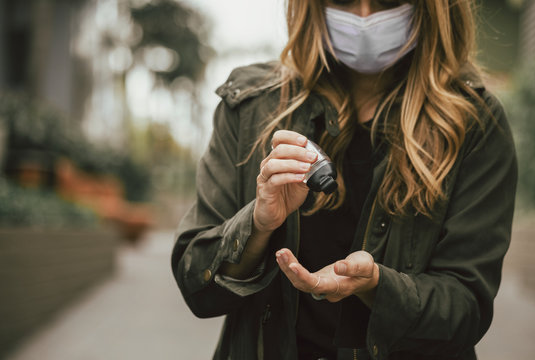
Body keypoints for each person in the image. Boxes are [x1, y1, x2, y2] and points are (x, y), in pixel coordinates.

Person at [171, 0, 517, 359]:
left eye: (387, 1)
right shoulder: (250, 107)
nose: (364, 18)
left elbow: (466, 310)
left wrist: (379, 287)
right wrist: (258, 225)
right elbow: (197, 286)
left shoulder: (471, 123)